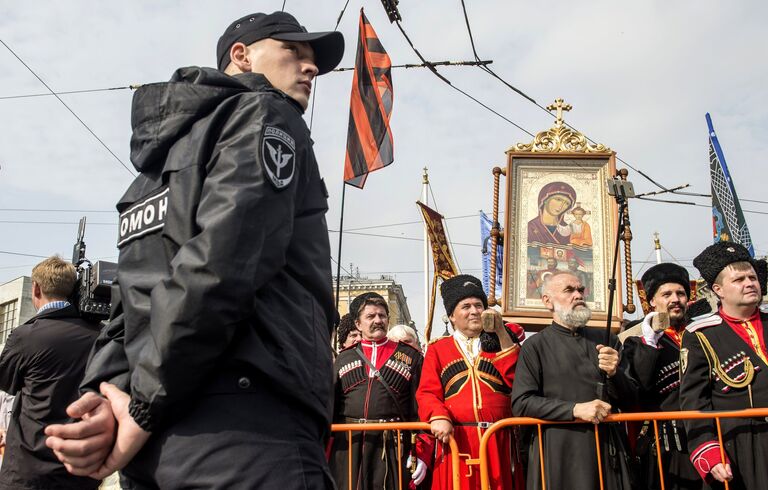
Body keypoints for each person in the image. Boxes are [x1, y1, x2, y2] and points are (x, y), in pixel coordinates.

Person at [45, 11, 344, 488]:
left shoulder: (154, 166)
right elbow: (222, 265)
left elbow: (127, 305)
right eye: (295, 52)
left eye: (313, 61)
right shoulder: (265, 114)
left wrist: (106, 398)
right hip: (249, 432)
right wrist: (137, 408)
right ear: (241, 56)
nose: (311, 69)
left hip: (157, 446)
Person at [511, 271, 637, 490]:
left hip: (606, 449)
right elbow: (521, 403)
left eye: (580, 290)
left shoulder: (607, 340)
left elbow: (632, 400)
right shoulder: (535, 346)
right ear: (547, 301)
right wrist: (575, 410)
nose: (578, 295)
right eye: (569, 290)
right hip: (558, 452)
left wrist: (614, 374)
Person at [0, 256, 101, 489]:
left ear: (36, 288)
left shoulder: (26, 336)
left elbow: (6, 382)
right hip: (81, 468)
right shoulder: (101, 335)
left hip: (28, 471)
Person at [416, 275, 525, 489]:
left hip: (499, 440)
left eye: (479, 305)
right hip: (457, 441)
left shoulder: (503, 341)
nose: (474, 311)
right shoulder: (438, 349)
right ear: (452, 316)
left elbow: (519, 382)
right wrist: (438, 417)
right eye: (466, 306)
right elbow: (427, 393)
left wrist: (501, 333)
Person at [680, 242, 768, 489]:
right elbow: (694, 401)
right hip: (740, 443)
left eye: (752, 277)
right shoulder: (700, 334)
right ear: (718, 289)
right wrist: (709, 451)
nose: (750, 283)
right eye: (739, 279)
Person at [330, 293, 424, 489]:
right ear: (358, 323)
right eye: (370, 316)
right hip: (348, 446)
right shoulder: (343, 359)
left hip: (391, 446)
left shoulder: (410, 356)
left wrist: (421, 452)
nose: (378, 321)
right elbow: (329, 407)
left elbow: (419, 410)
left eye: (382, 316)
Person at [621, 263, 702, 490]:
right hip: (669, 441)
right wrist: (650, 343)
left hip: (707, 432)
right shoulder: (636, 341)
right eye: (666, 294)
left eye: (681, 293)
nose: (675, 299)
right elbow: (640, 386)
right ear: (652, 301)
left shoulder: (702, 334)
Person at [527, 181, 576, 246]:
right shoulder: (531, 227)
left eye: (567, 203)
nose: (561, 206)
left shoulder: (567, 229)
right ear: (545, 200)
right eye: (558, 199)